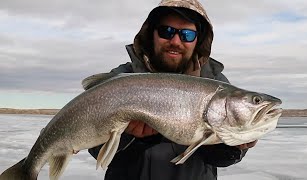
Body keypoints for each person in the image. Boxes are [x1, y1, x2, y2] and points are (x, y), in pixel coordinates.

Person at [83, 0, 257, 179]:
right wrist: (134, 139)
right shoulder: (122, 78)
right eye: (166, 31)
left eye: (187, 35)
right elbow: (98, 152)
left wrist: (230, 146)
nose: (175, 41)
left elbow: (218, 159)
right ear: (152, 34)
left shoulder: (215, 85)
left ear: (198, 40)